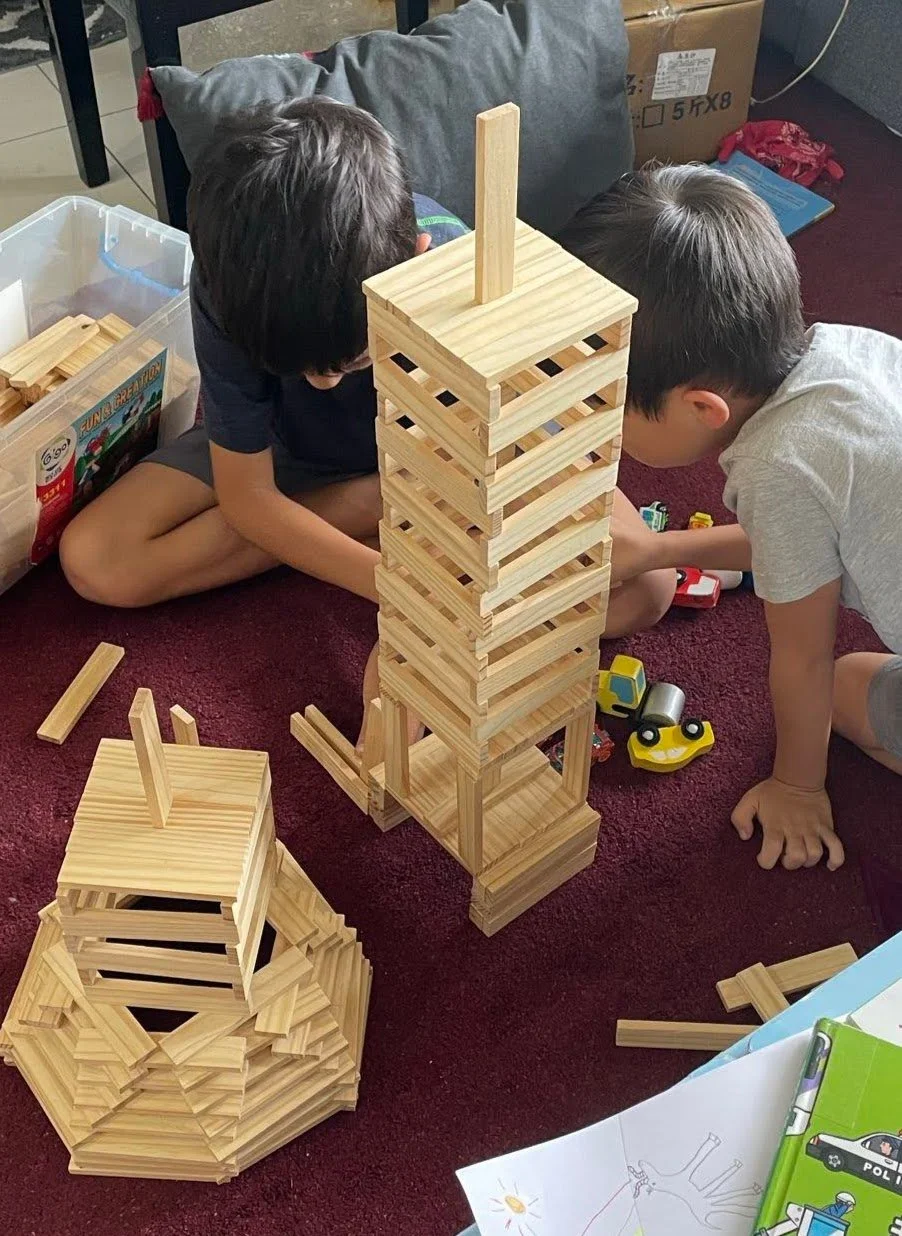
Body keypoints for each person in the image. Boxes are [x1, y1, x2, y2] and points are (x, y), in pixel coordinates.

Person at [59, 97, 680, 737]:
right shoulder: (233, 281)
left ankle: (392, 520)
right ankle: (379, 513)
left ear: (413, 257)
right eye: (298, 365)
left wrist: (463, 547)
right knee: (97, 558)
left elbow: (533, 449)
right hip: (299, 455)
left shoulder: (455, 268)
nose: (324, 381)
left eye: (344, 361)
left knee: (645, 583)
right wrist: (400, 592)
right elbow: (248, 496)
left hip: (452, 459)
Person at [561, 164, 902, 872]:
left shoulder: (779, 465)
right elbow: (810, 541)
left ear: (700, 409)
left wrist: (797, 784)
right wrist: (658, 551)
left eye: (606, 408)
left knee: (843, 685)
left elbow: (803, 656)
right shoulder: (850, 350)